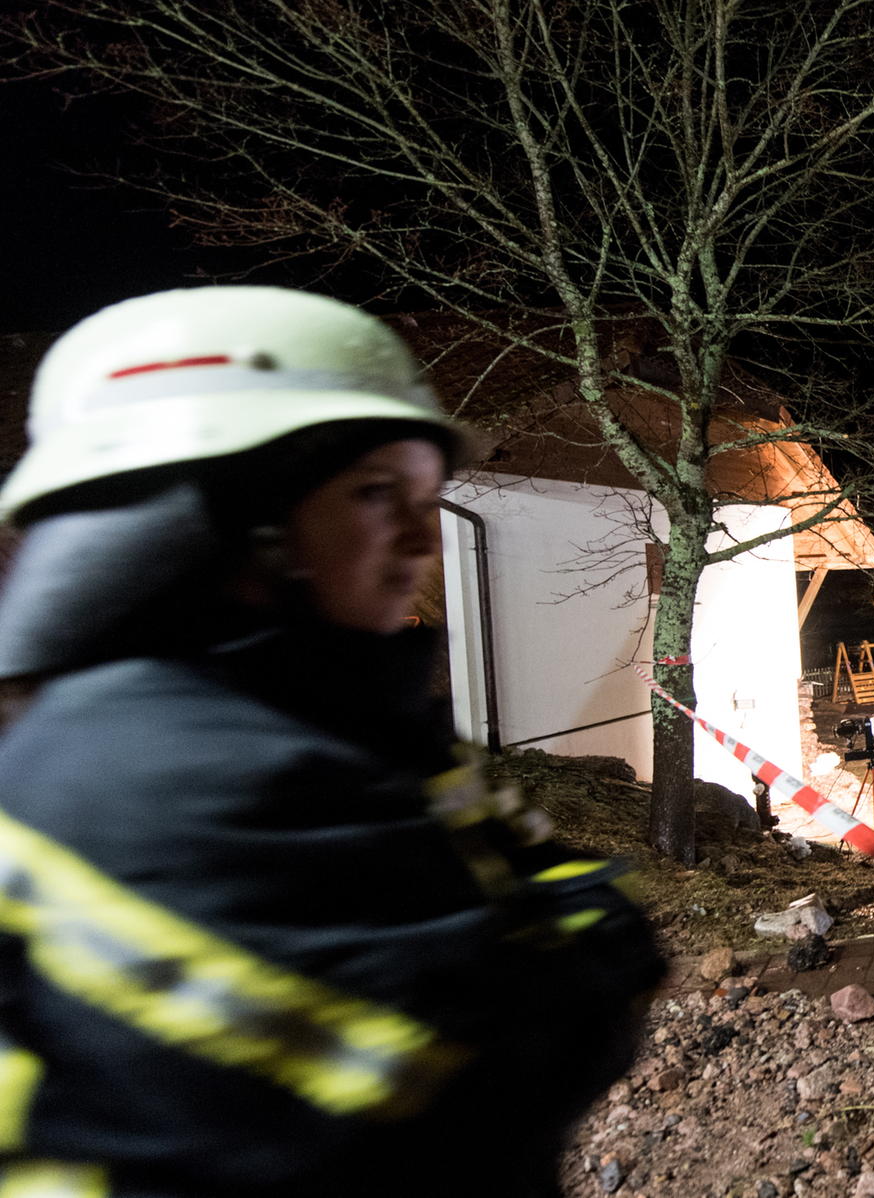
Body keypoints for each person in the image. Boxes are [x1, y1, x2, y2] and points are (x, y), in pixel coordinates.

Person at [0, 287, 664, 1196]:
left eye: (429, 498)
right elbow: (488, 1064)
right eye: (375, 493)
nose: (423, 540)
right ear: (237, 518)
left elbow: (540, 941)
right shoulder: (155, 775)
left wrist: (542, 938)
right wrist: (570, 942)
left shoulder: (311, 720)